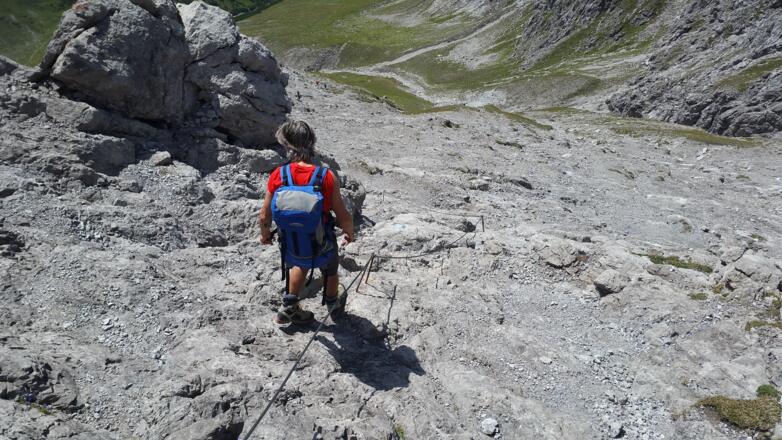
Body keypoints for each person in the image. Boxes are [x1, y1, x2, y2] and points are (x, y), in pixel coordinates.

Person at [260, 120, 355, 325]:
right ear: (312, 143)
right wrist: (349, 232)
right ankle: (333, 304)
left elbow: (264, 216)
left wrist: (265, 235)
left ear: (287, 145)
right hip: (322, 241)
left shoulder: (279, 175)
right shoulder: (325, 176)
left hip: (292, 243)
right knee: (330, 268)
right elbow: (342, 214)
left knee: (298, 263)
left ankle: (289, 307)